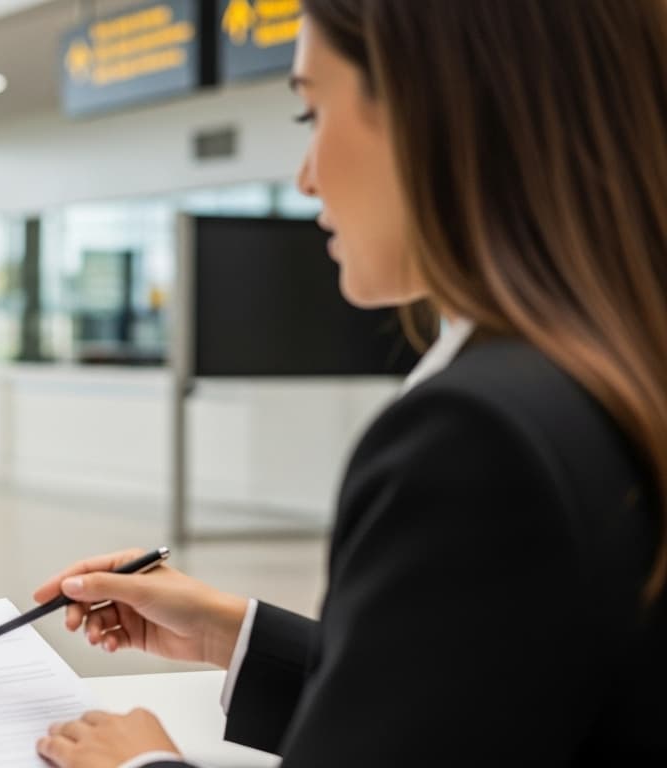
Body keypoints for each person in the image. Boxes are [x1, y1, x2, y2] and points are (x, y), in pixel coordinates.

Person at [34, 1, 667, 766]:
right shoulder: (612, 373)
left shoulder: (478, 436)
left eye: (311, 114)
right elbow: (482, 704)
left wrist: (142, 764)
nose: (304, 178)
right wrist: (233, 635)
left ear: (432, 112)